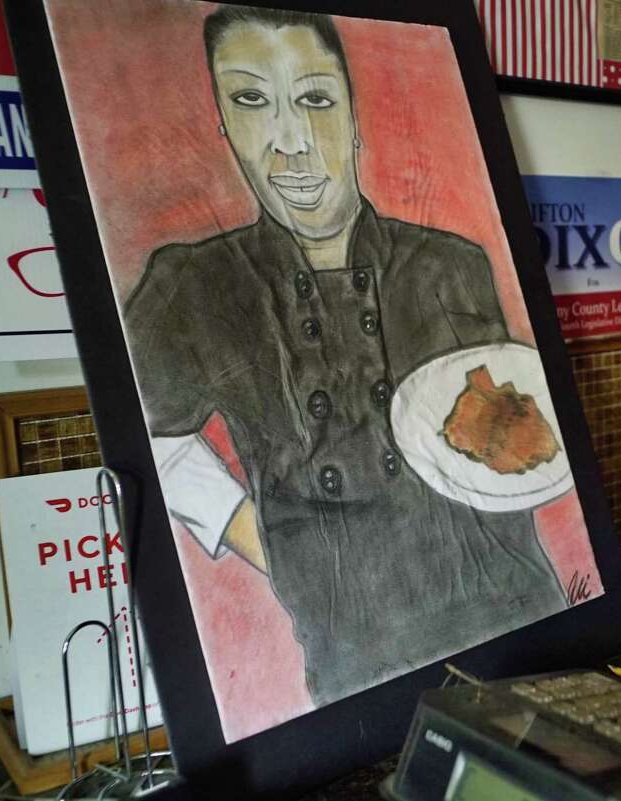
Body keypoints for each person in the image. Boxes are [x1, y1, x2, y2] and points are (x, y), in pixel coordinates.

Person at [123, 7, 567, 708]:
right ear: (224, 128)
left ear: (353, 118)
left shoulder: (452, 264)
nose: (291, 143)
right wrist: (274, 546)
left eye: (314, 100)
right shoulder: (194, 287)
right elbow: (144, 441)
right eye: (250, 101)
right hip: (362, 656)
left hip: (525, 616)